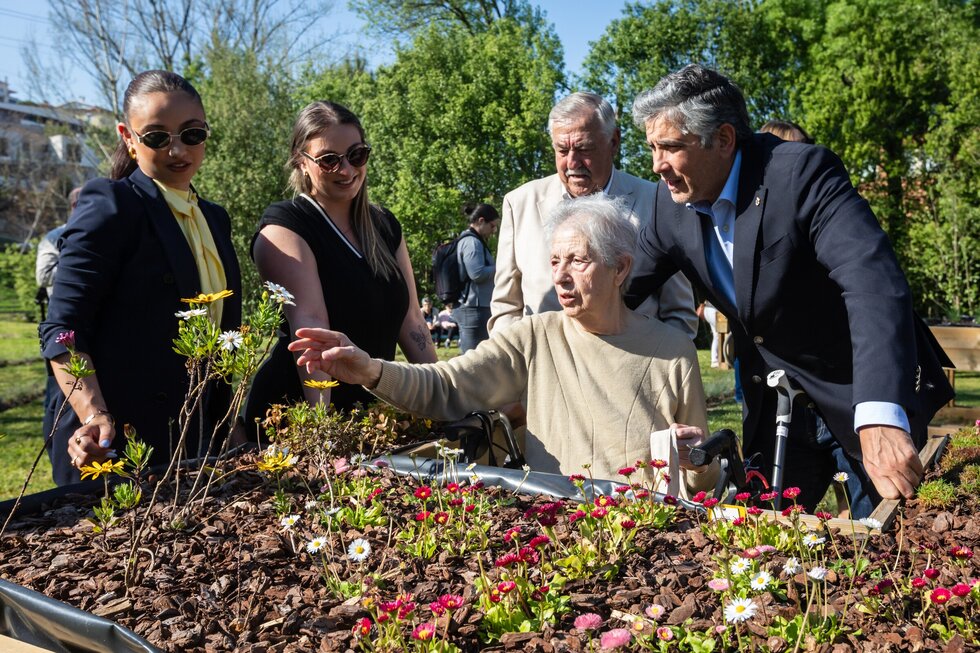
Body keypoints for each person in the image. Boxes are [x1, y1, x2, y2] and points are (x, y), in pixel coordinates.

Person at [625, 64, 953, 517]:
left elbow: (872, 280)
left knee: (885, 544)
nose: (656, 165)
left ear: (723, 139)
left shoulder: (800, 172)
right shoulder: (669, 203)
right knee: (764, 543)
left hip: (856, 393)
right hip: (775, 410)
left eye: (670, 147)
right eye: (652, 148)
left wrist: (879, 413)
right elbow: (621, 290)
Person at [288, 195, 719, 498]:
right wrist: (371, 370)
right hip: (554, 528)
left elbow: (704, 477)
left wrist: (698, 462)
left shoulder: (672, 352)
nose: (560, 276)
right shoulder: (534, 337)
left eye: (577, 261)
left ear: (620, 268)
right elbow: (446, 386)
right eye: (555, 261)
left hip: (642, 535)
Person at [40, 70, 242, 485]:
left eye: (192, 134)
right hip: (114, 446)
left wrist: (228, 424)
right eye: (156, 137)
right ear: (128, 138)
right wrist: (93, 415)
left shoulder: (214, 218)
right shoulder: (112, 204)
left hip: (193, 441)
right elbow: (63, 329)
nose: (177, 149)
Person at [244, 101, 436, 422]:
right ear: (301, 163)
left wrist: (443, 398)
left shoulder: (385, 226)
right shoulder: (286, 225)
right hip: (299, 413)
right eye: (329, 160)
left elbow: (412, 320)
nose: (346, 170)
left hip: (370, 410)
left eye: (356, 155)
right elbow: (311, 327)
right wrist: (322, 428)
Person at [489, 92, 698, 339]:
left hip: (632, 360)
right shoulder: (520, 204)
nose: (572, 162)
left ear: (614, 142)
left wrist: (652, 360)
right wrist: (518, 357)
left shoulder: (658, 203)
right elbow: (506, 307)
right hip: (541, 361)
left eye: (584, 148)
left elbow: (679, 316)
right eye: (562, 150)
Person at [37, 186, 82, 447]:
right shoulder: (55, 237)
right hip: (61, 322)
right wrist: (78, 268)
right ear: (74, 206)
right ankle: (53, 435)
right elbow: (42, 276)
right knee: (57, 384)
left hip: (89, 323)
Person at [454, 203, 498, 352]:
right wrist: (501, 266)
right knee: (472, 357)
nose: (494, 230)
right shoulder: (472, 242)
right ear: (481, 221)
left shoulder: (474, 240)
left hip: (476, 307)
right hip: (473, 308)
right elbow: (477, 274)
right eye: (492, 226)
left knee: (478, 356)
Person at [698, 300, 720, 367]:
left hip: (708, 310)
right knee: (718, 335)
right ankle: (715, 360)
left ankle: (715, 360)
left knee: (716, 335)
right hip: (711, 310)